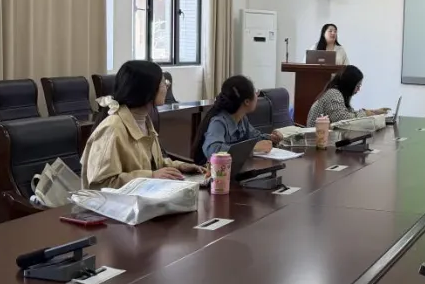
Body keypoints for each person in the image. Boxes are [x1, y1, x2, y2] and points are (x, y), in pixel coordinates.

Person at [81, 60, 204, 189]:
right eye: (163, 83)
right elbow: (100, 184)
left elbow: (151, 163)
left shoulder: (144, 121)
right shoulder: (112, 128)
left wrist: (179, 166)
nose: (167, 87)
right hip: (119, 202)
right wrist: (151, 176)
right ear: (148, 89)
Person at [191, 75, 283, 164]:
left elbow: (254, 138)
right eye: (255, 93)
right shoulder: (218, 122)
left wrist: (271, 138)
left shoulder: (242, 118)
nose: (257, 96)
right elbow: (213, 151)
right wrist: (252, 149)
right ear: (247, 102)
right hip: (216, 172)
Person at [306, 65, 388, 124]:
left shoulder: (338, 94)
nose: (359, 90)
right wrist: (366, 114)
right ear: (350, 84)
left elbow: (349, 114)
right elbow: (342, 119)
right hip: (317, 139)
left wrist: (374, 112)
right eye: (357, 86)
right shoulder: (333, 93)